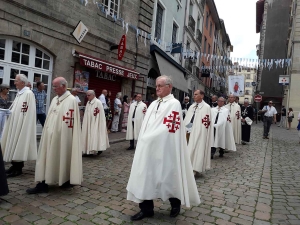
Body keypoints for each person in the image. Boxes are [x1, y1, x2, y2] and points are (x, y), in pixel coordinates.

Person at [126, 75, 200, 221]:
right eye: (156, 85)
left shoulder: (174, 104)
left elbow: (169, 128)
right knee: (145, 176)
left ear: (169, 87)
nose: (157, 88)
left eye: (160, 85)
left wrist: (148, 138)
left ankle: (175, 204)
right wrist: (143, 139)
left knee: (167, 176)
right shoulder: (154, 104)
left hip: (165, 148)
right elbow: (147, 125)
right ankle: (146, 209)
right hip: (148, 147)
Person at [26, 77, 82, 194]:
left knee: (62, 156)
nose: (54, 89)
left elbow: (69, 122)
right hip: (49, 135)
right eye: (53, 86)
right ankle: (44, 181)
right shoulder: (55, 99)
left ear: (63, 86)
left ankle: (64, 180)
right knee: (46, 157)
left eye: (56, 86)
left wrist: (58, 134)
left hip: (60, 136)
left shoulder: (71, 100)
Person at [2, 74, 37, 177]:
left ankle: (18, 168)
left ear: (22, 82)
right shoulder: (20, 93)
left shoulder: (28, 93)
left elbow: (26, 110)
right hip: (15, 122)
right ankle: (14, 165)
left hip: (21, 123)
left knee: (19, 143)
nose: (14, 83)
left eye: (16, 81)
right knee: (13, 142)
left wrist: (21, 121)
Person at [183, 90, 212, 176]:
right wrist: (186, 128)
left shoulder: (206, 107)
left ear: (202, 96)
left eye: (196, 94)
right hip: (189, 130)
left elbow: (206, 122)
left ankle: (195, 168)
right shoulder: (192, 106)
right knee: (188, 147)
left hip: (200, 132)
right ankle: (187, 167)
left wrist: (200, 131)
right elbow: (188, 119)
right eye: (194, 94)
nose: (194, 96)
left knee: (197, 149)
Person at [82, 90, 109, 155]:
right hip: (89, 122)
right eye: (87, 95)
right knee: (88, 135)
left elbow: (100, 114)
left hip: (96, 122)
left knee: (95, 135)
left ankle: (97, 149)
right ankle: (88, 150)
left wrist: (96, 122)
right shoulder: (88, 102)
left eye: (89, 95)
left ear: (93, 95)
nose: (87, 97)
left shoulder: (98, 102)